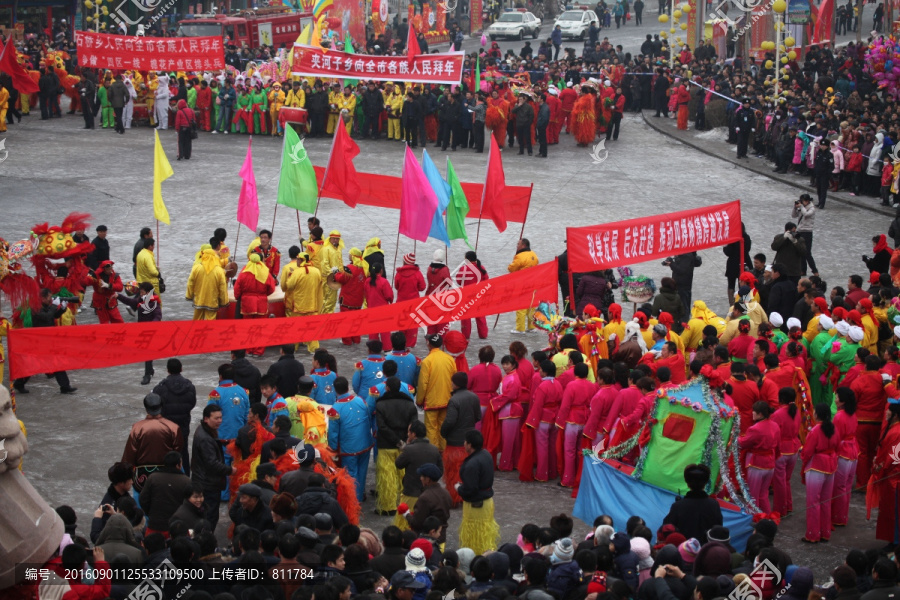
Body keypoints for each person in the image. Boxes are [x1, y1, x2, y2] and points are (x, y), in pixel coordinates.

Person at [121, 393, 183, 499]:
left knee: (142, 507)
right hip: (167, 476)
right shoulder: (173, 427)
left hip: (142, 477)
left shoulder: (137, 428)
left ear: (146, 408)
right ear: (161, 406)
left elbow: (129, 456)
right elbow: (177, 453)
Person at [328, 376, 374, 503]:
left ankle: (353, 502)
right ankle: (359, 496)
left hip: (348, 448)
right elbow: (369, 420)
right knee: (362, 473)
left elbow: (333, 435)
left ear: (335, 390)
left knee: (350, 475)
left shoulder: (335, 409)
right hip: (365, 444)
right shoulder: (361, 401)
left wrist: (332, 450)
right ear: (347, 387)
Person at [441, 372, 482, 507]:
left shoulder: (454, 400)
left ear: (455, 384)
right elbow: (478, 417)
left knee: (453, 472)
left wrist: (444, 432)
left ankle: (454, 498)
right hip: (469, 440)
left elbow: (450, 421)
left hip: (454, 442)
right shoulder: (474, 397)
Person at [801, 403, 840, 543]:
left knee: (813, 501)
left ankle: (812, 534)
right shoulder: (834, 428)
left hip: (817, 465)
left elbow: (807, 451)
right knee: (825, 501)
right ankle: (825, 532)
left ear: (817, 414)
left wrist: (803, 457)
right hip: (831, 465)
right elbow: (838, 446)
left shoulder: (815, 430)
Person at [457, 430, 499, 554]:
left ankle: (476, 558)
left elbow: (470, 490)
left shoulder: (472, 464)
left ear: (470, 445)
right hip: (487, 503)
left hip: (476, 506)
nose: (464, 444)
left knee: (475, 537)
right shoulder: (486, 454)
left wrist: (458, 489)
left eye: (465, 442)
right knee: (485, 535)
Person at [394, 420, 443, 527]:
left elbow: (398, 464)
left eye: (408, 432)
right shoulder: (434, 449)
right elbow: (440, 471)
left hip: (411, 493)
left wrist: (406, 447)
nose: (407, 434)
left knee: (407, 523)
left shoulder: (409, 449)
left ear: (413, 434)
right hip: (430, 493)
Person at [152, 358, 196, 474]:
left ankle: (167, 477)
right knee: (183, 452)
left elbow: (156, 404)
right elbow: (192, 403)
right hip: (183, 425)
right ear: (181, 369)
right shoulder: (189, 386)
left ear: (167, 370)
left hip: (166, 426)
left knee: (166, 452)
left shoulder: (160, 388)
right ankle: (185, 476)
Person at [662, 464, 723, 543]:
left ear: (687, 483)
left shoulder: (678, 506)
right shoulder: (714, 505)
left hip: (683, 550)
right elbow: (718, 528)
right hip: (706, 551)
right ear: (705, 484)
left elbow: (667, 528)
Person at [417, 334, 457, 451]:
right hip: (447, 399)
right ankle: (444, 451)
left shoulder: (427, 361)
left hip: (432, 401)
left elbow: (423, 384)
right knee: (443, 427)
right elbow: (454, 378)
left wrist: (420, 400)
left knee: (431, 428)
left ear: (428, 343)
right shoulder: (449, 358)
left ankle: (433, 452)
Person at [117, 281, 162, 385]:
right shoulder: (142, 300)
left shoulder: (153, 303)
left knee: (147, 353)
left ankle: (147, 375)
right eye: (140, 292)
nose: (140, 294)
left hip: (150, 332)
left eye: (142, 292)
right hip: (142, 330)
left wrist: (152, 325)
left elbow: (158, 316)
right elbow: (131, 302)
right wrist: (118, 296)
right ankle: (150, 370)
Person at [739, 401, 780, 513]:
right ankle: (766, 518)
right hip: (770, 464)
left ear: (760, 414)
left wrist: (735, 437)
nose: (752, 413)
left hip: (757, 464)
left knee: (753, 496)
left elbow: (743, 443)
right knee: (763, 495)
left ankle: (753, 521)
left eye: (754, 412)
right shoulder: (775, 425)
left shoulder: (755, 429)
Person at [139, 450, 192, 536]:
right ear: (178, 465)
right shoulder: (186, 481)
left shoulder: (153, 478)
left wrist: (151, 513)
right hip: (177, 528)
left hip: (155, 525)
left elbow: (143, 499)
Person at [234, 254, 276, 356]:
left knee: (248, 328)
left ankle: (249, 350)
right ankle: (258, 351)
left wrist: (238, 297)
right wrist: (263, 295)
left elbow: (237, 288)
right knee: (260, 328)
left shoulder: (244, 272)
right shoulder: (265, 271)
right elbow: (272, 288)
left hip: (247, 304)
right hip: (261, 304)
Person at [403, 463, 452, 544]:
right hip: (441, 537)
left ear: (428, 479)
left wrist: (406, 514)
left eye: (422, 476)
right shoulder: (446, 493)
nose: (420, 478)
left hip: (428, 541)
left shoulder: (425, 498)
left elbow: (416, 523)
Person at [833, 387, 859, 527]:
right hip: (853, 452)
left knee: (840, 487)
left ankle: (838, 517)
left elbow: (836, 438)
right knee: (846, 486)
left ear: (842, 401)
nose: (835, 399)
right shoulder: (852, 414)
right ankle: (842, 516)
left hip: (843, 453)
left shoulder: (839, 416)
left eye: (836, 397)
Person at [186, 241, 228, 320]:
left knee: (196, 320)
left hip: (199, 300)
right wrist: (223, 301)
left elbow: (190, 282)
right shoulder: (219, 270)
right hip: (212, 301)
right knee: (210, 322)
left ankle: (195, 331)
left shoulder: (196, 268)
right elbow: (222, 287)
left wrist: (189, 295)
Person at [395, 253, 427, 348]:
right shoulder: (417, 273)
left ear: (405, 262)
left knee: (402, 322)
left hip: (401, 302)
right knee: (412, 323)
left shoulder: (399, 273)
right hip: (414, 302)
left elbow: (396, 286)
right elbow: (422, 287)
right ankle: (411, 343)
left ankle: (402, 341)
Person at [509, 239, 540, 333]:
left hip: (522, 283)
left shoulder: (519, 257)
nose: (517, 245)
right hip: (533, 282)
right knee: (532, 305)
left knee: (521, 306)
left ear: (523, 245)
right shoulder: (533, 254)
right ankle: (531, 326)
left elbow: (511, 268)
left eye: (518, 244)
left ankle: (520, 328)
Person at [89, 260, 124, 324]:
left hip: (111, 301)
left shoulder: (115, 276)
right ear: (104, 269)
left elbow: (120, 287)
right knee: (104, 322)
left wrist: (109, 285)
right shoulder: (96, 276)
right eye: (108, 269)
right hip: (100, 302)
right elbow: (85, 282)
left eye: (111, 268)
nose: (110, 270)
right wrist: (92, 275)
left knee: (118, 320)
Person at [536, 93, 550, 158]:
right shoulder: (543, 106)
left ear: (542, 99)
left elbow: (544, 118)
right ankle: (541, 152)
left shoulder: (544, 107)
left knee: (543, 140)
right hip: (541, 125)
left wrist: (540, 125)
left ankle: (543, 153)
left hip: (542, 126)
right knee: (541, 140)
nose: (538, 99)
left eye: (539, 98)